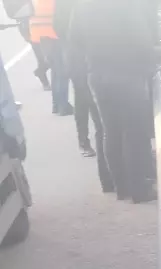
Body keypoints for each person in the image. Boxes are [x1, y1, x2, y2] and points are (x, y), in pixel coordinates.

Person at [70, 0, 157, 203]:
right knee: (134, 132)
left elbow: (74, 40)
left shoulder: (82, 5)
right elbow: (141, 38)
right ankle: (140, 190)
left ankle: (121, 187)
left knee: (111, 131)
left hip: (98, 74)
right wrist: (151, 61)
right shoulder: (126, 4)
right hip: (127, 72)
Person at [55, 0, 98, 158]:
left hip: (83, 52)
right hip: (78, 54)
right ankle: (86, 141)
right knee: (85, 98)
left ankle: (90, 140)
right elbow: (58, 26)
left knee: (86, 98)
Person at [29, 0, 70, 115]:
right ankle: (63, 106)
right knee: (62, 71)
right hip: (54, 33)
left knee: (55, 70)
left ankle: (56, 104)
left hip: (39, 34)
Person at [3, 0, 50, 90]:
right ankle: (42, 74)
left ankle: (41, 72)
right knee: (42, 52)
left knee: (48, 52)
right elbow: (11, 11)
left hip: (40, 18)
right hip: (27, 22)